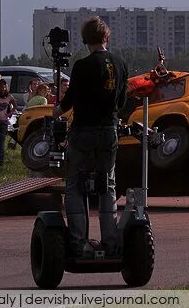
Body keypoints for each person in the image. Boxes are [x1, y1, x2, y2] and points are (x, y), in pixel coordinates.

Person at [59, 16, 128, 257]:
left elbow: (69, 102)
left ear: (85, 40)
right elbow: (121, 102)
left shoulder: (81, 66)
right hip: (109, 132)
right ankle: (110, 242)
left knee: (76, 186)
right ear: (106, 38)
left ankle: (80, 243)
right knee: (107, 185)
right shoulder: (121, 64)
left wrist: (56, 111)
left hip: (83, 133)